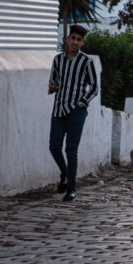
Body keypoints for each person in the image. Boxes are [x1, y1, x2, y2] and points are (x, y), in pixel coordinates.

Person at [48, 24, 98, 202]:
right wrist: (53, 87)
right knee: (54, 146)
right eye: (73, 38)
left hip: (76, 110)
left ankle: (72, 188)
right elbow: (52, 82)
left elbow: (94, 87)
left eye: (79, 39)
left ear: (82, 42)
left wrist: (82, 103)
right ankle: (65, 173)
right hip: (59, 108)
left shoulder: (86, 62)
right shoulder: (58, 60)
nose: (75, 42)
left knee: (71, 149)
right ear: (68, 39)